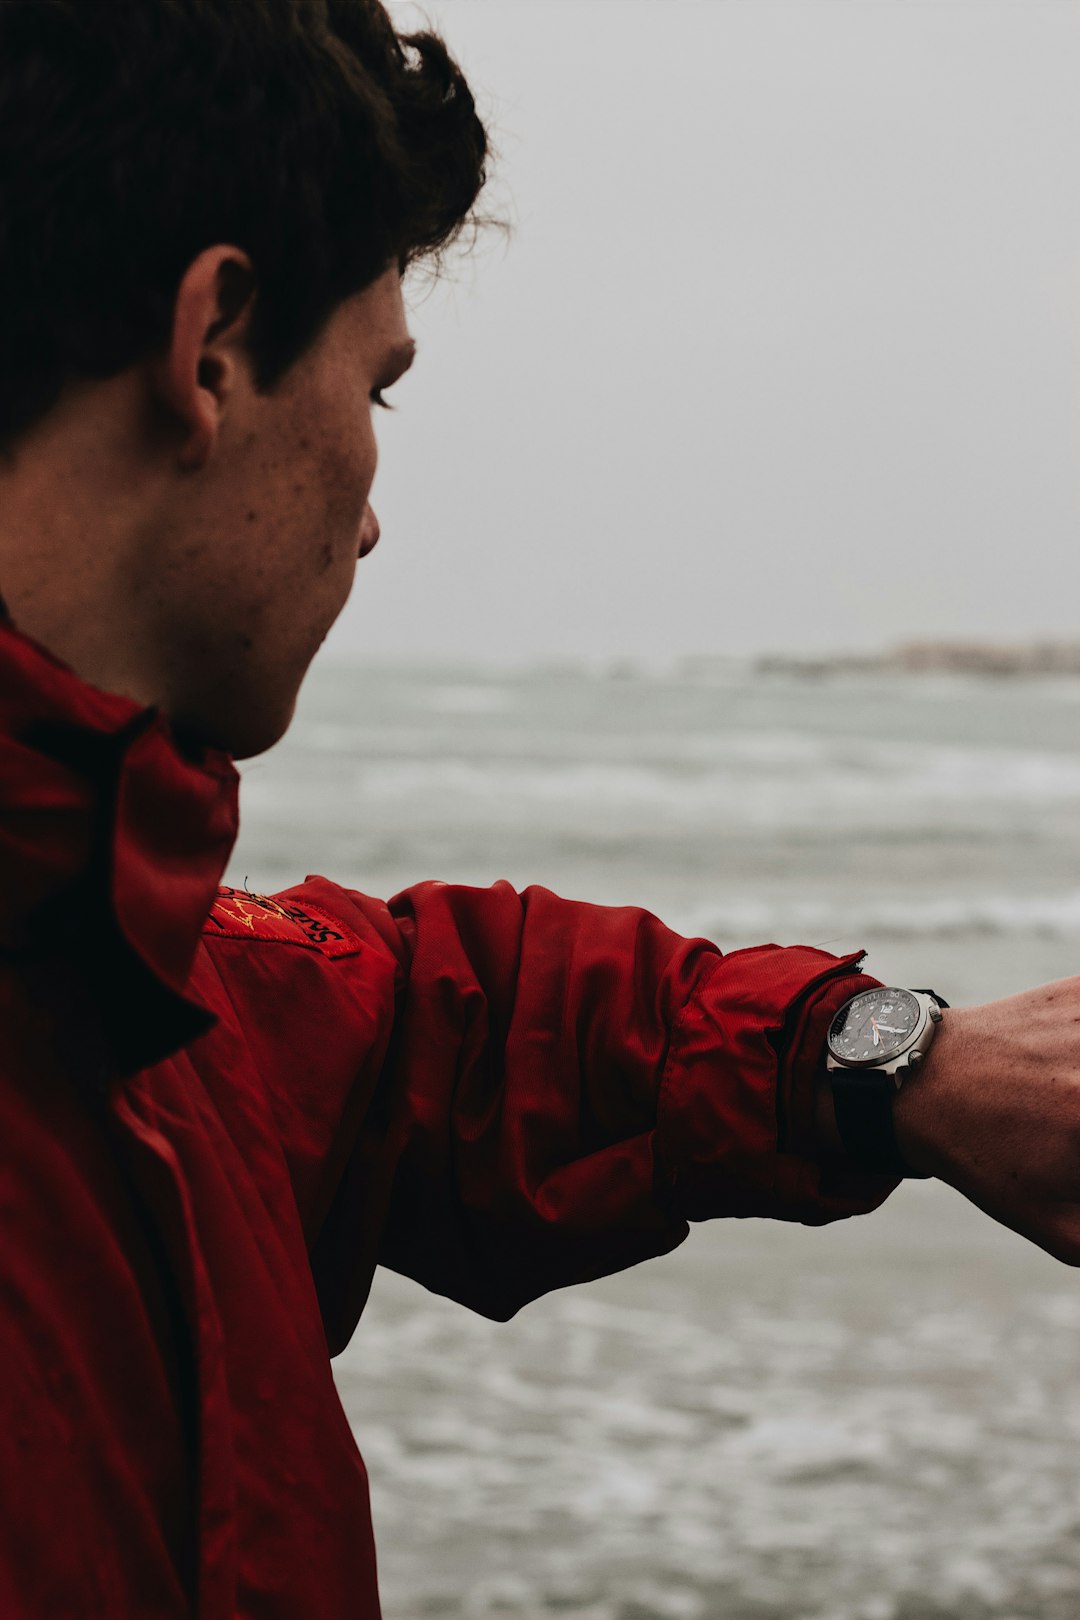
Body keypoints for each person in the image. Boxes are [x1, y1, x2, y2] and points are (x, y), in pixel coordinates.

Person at [0, 1, 1078, 1614]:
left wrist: (901, 1065)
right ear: (211, 349)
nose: (372, 511)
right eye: (380, 389)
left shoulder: (113, 962)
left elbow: (444, 1028)